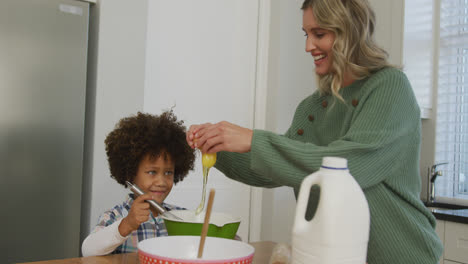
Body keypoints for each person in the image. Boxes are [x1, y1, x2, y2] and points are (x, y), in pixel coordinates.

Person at [186, 0, 443, 263]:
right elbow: (277, 168)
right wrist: (216, 146)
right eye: (306, 34)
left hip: (402, 255)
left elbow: (353, 165)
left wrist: (254, 140)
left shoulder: (389, 87)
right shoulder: (314, 106)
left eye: (319, 34)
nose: (308, 46)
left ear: (349, 31)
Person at [82, 111, 195, 256]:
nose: (161, 182)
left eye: (168, 173)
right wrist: (127, 225)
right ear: (131, 173)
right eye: (152, 172)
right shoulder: (115, 216)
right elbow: (88, 250)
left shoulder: (181, 217)